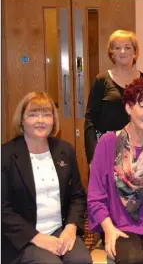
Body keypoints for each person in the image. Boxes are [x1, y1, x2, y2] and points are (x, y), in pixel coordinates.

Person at [87, 78, 143, 264]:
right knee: (132, 260)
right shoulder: (108, 143)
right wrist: (108, 229)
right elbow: (95, 197)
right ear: (129, 108)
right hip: (119, 225)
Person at [1, 92, 91, 264]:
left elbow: (77, 196)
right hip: (23, 237)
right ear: (21, 120)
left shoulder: (65, 150)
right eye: (33, 115)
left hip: (60, 230)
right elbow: (3, 209)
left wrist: (71, 227)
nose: (40, 120)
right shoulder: (5, 155)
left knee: (81, 260)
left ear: (54, 120)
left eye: (46, 114)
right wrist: (36, 237)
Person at [85, 29, 143, 164]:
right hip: (107, 148)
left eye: (127, 47)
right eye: (117, 48)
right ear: (111, 53)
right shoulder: (101, 80)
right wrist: (92, 157)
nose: (123, 52)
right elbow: (90, 120)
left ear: (135, 52)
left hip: (138, 148)